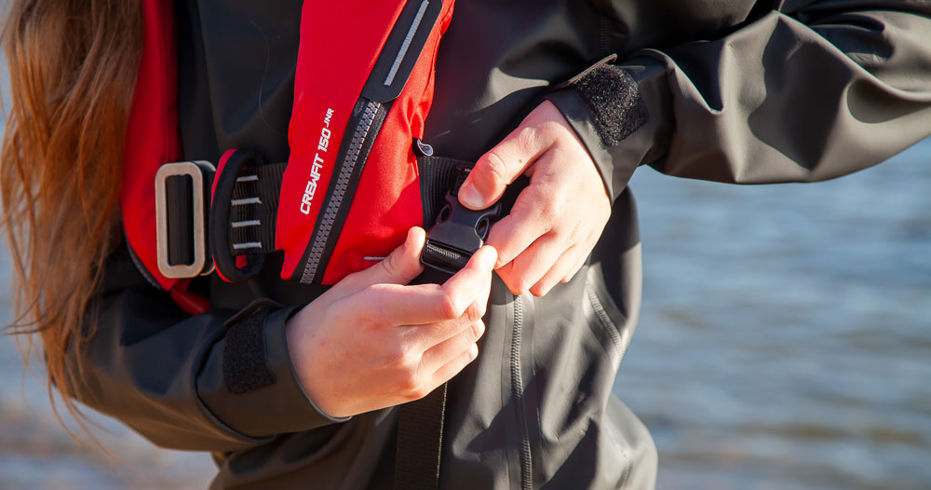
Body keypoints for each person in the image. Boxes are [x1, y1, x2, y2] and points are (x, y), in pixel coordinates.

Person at [3, 0, 930, 488]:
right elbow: (89, 336)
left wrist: (620, 117)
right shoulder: (100, 19)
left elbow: (901, 35)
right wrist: (288, 367)